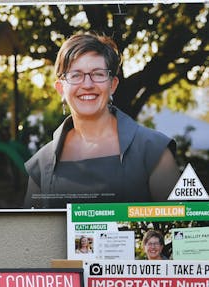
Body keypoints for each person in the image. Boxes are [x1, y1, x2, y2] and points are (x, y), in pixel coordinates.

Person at [24, 33, 180, 208]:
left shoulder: (153, 150)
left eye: (98, 74)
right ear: (61, 88)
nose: (88, 84)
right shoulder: (41, 164)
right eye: (76, 75)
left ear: (112, 85)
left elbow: (186, 226)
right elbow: (31, 234)